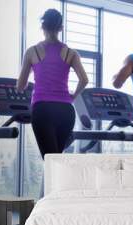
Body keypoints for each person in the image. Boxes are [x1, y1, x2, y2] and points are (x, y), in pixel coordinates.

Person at [17, 9, 88, 159]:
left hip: (43, 109)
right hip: (65, 110)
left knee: (51, 161)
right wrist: (73, 97)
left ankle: (60, 182)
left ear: (42, 28)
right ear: (60, 28)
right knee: (56, 158)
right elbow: (84, 80)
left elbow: (20, 86)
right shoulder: (71, 53)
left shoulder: (32, 52)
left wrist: (33, 69)